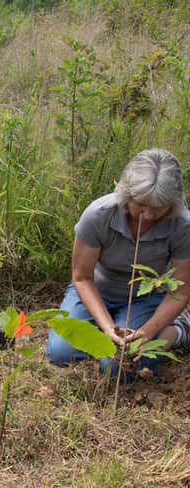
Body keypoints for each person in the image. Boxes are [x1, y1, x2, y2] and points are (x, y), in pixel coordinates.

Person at [46, 148, 190, 379]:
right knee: (61, 352)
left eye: (159, 206)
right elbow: (82, 277)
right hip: (97, 290)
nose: (149, 214)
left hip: (146, 297)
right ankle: (113, 328)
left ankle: (175, 331)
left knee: (116, 367)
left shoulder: (183, 226)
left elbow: (182, 290)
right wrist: (107, 328)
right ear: (127, 194)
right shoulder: (99, 215)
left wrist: (146, 331)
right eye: (141, 204)